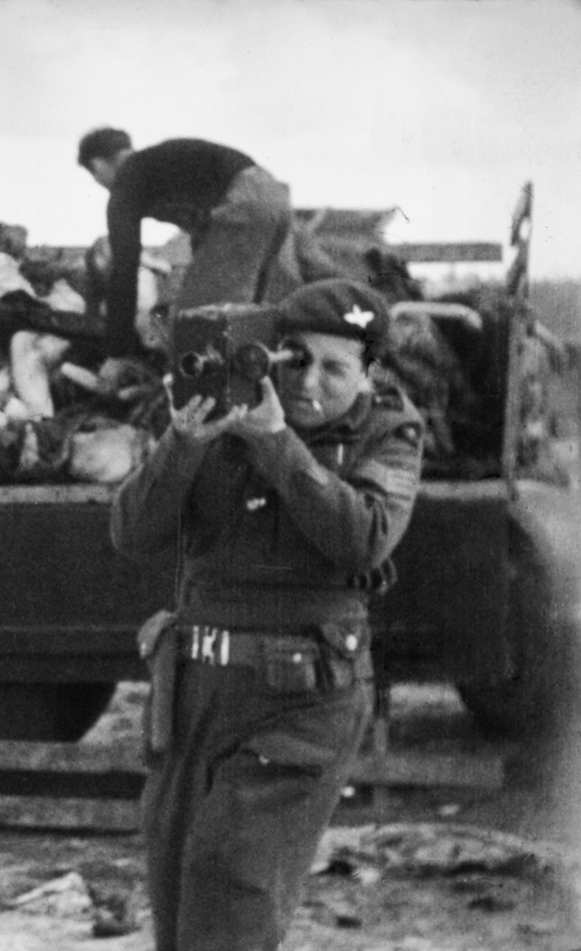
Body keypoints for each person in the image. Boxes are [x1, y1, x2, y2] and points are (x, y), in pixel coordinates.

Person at [110, 279, 424, 951]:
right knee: (175, 891)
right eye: (296, 359)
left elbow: (362, 537)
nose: (309, 382)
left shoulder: (388, 433)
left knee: (230, 880)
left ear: (369, 371)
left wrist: (277, 443)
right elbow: (131, 534)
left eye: (335, 367)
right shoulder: (223, 416)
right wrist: (184, 443)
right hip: (194, 694)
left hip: (302, 702)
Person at [77, 128, 303, 392]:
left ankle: (204, 405)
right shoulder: (164, 163)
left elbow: (124, 271)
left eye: (95, 177)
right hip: (275, 196)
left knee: (195, 325)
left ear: (96, 165)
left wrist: (115, 352)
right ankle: (262, 389)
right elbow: (206, 226)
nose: (100, 183)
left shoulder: (127, 180)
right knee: (256, 313)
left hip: (244, 204)